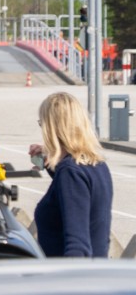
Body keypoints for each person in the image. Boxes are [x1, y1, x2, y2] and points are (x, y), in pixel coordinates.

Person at [29, 92, 113, 257]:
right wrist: (51, 160)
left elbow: (78, 246)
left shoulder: (70, 172)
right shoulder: (97, 166)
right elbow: (73, 196)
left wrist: (67, 282)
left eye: (42, 124)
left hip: (72, 277)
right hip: (95, 274)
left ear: (52, 129)